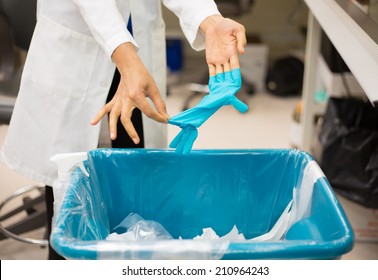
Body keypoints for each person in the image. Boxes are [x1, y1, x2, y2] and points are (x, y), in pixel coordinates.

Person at [0, 0, 246, 259]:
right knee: (70, 192)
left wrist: (209, 20)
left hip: (137, 51)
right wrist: (124, 56)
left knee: (137, 194)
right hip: (83, 50)